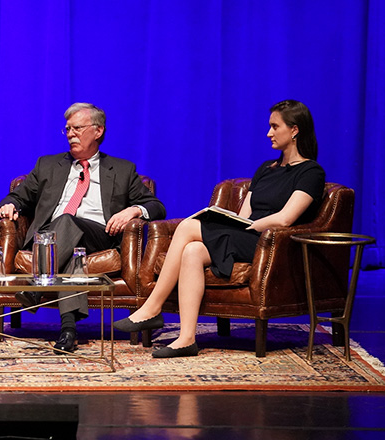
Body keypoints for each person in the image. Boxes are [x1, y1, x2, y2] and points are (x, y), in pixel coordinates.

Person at [113, 99, 326, 358]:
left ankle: (152, 307)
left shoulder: (311, 172)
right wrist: (232, 222)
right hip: (248, 234)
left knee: (190, 226)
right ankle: (186, 339)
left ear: (294, 130)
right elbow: (245, 212)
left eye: (274, 126)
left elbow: (285, 219)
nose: (268, 133)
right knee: (192, 250)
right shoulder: (266, 169)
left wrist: (248, 227)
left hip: (270, 243)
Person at [0, 102, 166, 353]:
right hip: (51, 239)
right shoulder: (48, 165)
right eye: (67, 129)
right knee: (76, 258)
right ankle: (67, 331)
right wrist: (8, 205)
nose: (70, 134)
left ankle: (36, 286)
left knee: (67, 221)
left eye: (77, 128)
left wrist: (133, 210)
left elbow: (156, 206)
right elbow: (18, 196)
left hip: (99, 234)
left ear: (98, 131)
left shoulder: (122, 169)